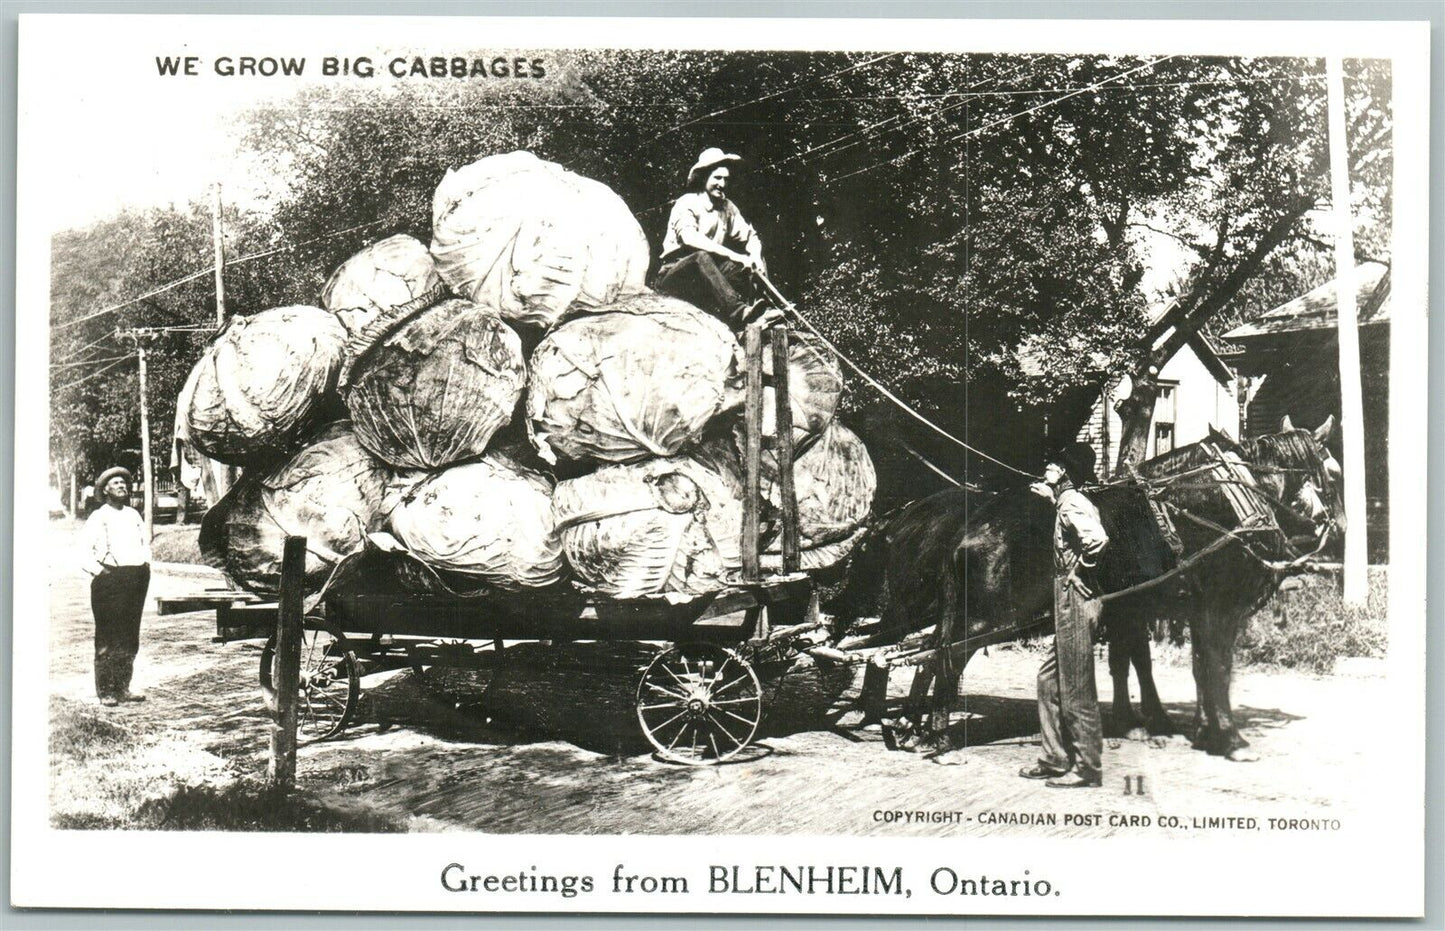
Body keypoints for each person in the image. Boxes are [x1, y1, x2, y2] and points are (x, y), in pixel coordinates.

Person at [1020, 442, 1108, 788]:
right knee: (1048, 680)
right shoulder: (1066, 500)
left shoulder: (1072, 502)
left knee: (1075, 686)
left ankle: (1088, 767)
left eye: (1054, 466)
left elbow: (1097, 540)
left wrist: (1078, 572)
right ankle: (1055, 756)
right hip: (1067, 595)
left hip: (1076, 594)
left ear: (1066, 473)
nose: (1048, 469)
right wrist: (1050, 496)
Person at [655, 147, 784, 330]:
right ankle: (739, 312)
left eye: (726, 179)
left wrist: (754, 257)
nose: (722, 184)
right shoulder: (687, 202)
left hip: (707, 276)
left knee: (748, 264)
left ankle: (762, 310)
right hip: (675, 274)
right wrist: (735, 255)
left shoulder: (727, 207)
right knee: (702, 257)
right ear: (704, 177)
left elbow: (751, 237)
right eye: (717, 178)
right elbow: (690, 238)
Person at [79, 467, 152, 707]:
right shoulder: (99, 516)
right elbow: (83, 553)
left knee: (129, 636)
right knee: (108, 636)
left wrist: (144, 567)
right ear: (105, 490)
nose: (122, 486)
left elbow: (144, 544)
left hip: (135, 578)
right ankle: (106, 690)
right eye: (116, 483)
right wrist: (103, 572)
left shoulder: (133, 515)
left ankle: (123, 687)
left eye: (124, 482)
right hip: (110, 580)